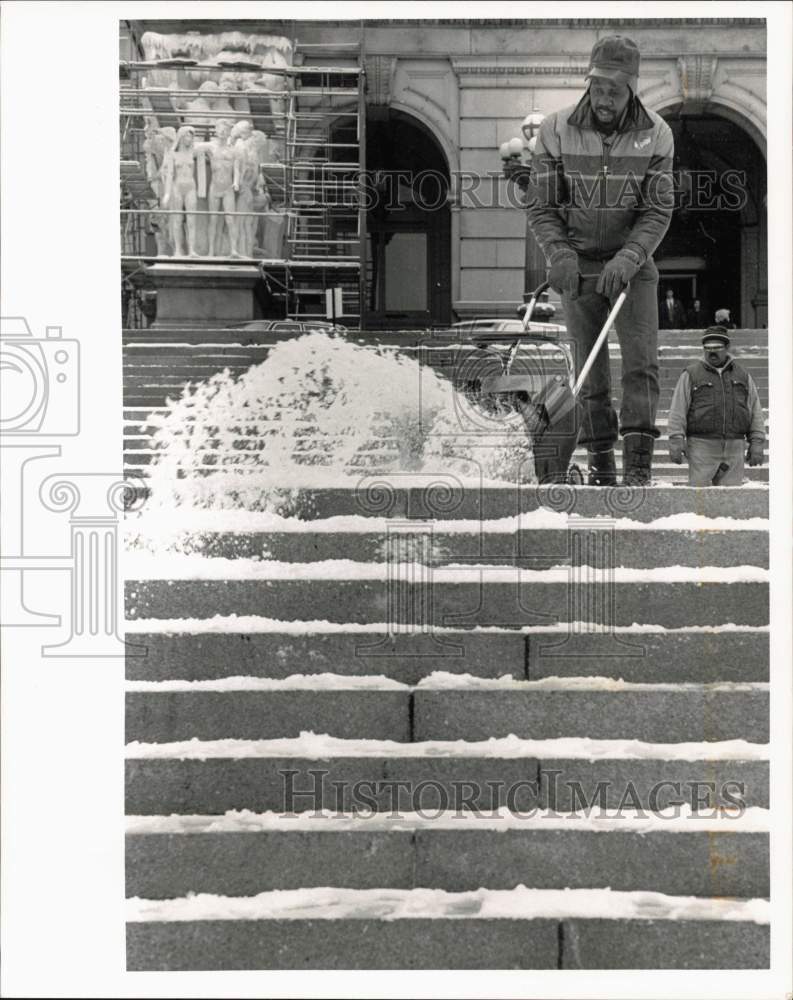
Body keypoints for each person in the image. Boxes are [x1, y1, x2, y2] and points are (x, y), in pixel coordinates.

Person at [524, 35, 674, 485]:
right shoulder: (556, 128)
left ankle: (640, 467)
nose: (605, 97)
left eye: (615, 88)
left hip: (634, 264)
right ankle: (602, 463)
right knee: (588, 367)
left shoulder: (657, 133)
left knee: (640, 362)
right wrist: (559, 252)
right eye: (598, 86)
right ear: (588, 81)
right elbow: (542, 205)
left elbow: (657, 208)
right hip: (579, 262)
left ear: (632, 87)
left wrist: (630, 256)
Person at [667, 327, 765, 486]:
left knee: (730, 500)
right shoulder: (691, 374)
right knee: (700, 499)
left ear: (727, 348)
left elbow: (755, 411)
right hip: (702, 447)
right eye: (708, 348)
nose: (712, 352)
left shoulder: (743, 375)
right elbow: (678, 409)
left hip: (735, 447)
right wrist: (676, 438)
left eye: (717, 348)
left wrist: (757, 442)